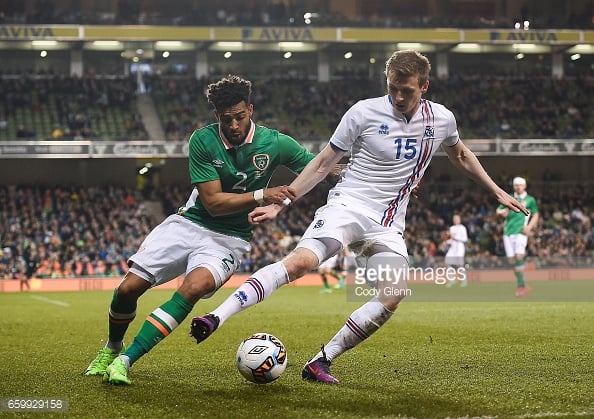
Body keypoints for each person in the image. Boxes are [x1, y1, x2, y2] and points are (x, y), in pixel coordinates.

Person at [190, 50, 528, 384]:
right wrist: (283, 202)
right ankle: (217, 316)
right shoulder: (363, 112)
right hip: (348, 205)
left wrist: (495, 190)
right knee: (301, 263)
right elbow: (323, 162)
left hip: (388, 223)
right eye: (392, 87)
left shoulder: (442, 119)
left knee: (394, 293)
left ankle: (322, 361)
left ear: (423, 86)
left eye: (406, 90)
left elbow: (461, 154)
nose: (397, 96)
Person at [84, 75, 315, 385]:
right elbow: (214, 203)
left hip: (228, 240)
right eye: (226, 118)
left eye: (240, 116)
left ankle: (126, 361)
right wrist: (263, 194)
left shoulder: (276, 143)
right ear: (216, 116)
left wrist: (359, 173)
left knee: (192, 289)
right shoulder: (202, 141)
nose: (234, 125)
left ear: (251, 109)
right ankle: (113, 347)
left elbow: (318, 168)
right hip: (188, 224)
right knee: (127, 290)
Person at [496, 176, 539, 298]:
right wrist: (502, 213)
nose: (518, 187)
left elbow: (536, 214)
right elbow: (498, 210)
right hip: (508, 232)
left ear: (524, 186)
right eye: (516, 185)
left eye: (520, 185)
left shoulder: (530, 200)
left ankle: (520, 286)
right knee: (511, 260)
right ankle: (524, 284)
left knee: (518, 256)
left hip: (521, 231)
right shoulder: (509, 197)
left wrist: (529, 227)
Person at [444, 214, 468, 287]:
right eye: (454, 219)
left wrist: (454, 237)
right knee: (447, 262)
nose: (455, 220)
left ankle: (463, 280)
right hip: (453, 247)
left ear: (460, 219)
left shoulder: (462, 228)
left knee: (460, 264)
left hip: (460, 247)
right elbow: (450, 239)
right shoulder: (451, 228)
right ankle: (452, 280)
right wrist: (446, 242)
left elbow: (465, 239)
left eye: (457, 219)